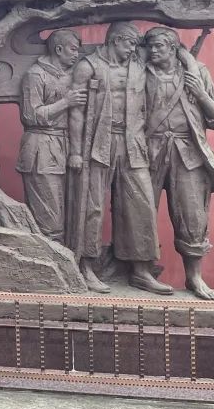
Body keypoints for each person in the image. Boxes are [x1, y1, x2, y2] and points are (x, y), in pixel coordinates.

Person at [68, 22, 166, 294]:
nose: (134, 49)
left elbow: (175, 48)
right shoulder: (88, 66)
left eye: (135, 44)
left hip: (133, 143)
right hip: (98, 143)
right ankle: (87, 266)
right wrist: (75, 151)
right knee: (92, 205)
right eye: (129, 43)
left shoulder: (138, 64)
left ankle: (141, 271)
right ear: (115, 40)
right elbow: (75, 113)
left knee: (141, 204)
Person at [143, 27, 214, 300]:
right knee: (139, 211)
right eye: (149, 46)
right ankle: (140, 272)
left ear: (172, 47)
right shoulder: (141, 72)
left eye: (158, 46)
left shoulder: (197, 72)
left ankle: (194, 276)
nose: (153, 51)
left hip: (188, 152)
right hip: (149, 150)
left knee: (192, 216)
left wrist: (200, 93)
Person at [15, 29, 85, 244]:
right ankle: (51, 260)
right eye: (73, 49)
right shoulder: (35, 75)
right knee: (49, 219)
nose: (76, 54)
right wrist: (65, 102)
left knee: (68, 215)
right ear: (59, 49)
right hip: (41, 149)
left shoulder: (71, 76)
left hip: (65, 147)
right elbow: (30, 115)